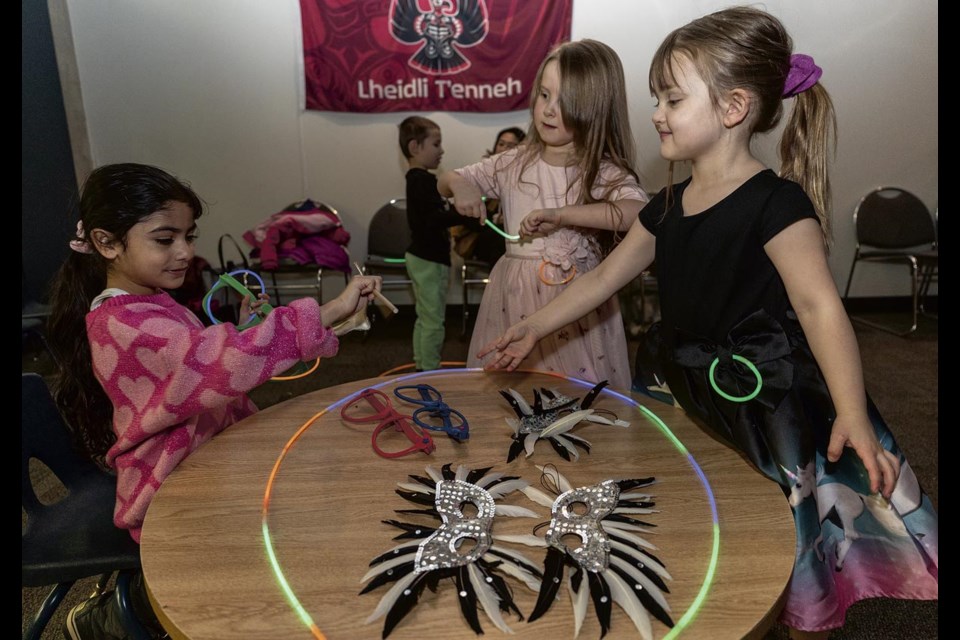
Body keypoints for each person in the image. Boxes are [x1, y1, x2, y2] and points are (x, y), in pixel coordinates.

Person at [478, 7, 938, 638]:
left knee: (771, 509)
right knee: (690, 493)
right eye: (655, 98)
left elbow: (819, 308)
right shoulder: (665, 207)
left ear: (731, 108)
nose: (657, 112)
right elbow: (602, 279)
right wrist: (535, 325)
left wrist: (852, 413)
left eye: (671, 97)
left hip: (758, 390)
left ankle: (791, 605)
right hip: (678, 381)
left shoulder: (777, 203)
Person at [46, 163, 382, 639]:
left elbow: (192, 375)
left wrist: (246, 331)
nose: (185, 252)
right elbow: (203, 362)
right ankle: (118, 618)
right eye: (165, 239)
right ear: (106, 243)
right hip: (169, 488)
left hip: (204, 461)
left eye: (189, 236)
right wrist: (328, 310)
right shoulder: (120, 322)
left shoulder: (152, 300)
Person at [439, 39, 647, 391]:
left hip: (577, 309)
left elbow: (636, 212)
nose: (549, 110)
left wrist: (565, 215)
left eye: (566, 101)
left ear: (595, 109)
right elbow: (448, 179)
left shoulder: (602, 170)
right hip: (512, 301)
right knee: (509, 393)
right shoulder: (513, 161)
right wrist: (461, 187)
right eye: (545, 95)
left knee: (579, 397)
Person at [399, 116, 474, 371]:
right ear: (414, 148)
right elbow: (432, 219)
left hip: (422, 257)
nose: (442, 150)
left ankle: (423, 365)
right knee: (433, 320)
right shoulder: (423, 181)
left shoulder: (417, 179)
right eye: (436, 144)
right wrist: (464, 211)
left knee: (425, 316)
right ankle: (430, 370)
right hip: (429, 259)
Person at [451, 126, 527, 266]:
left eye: (511, 146)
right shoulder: (483, 174)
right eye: (501, 144)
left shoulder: (527, 178)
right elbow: (467, 216)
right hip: (485, 237)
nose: (503, 149)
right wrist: (493, 218)